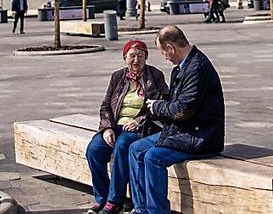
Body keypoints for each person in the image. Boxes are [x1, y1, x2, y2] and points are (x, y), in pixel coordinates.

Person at [128, 26, 225, 214]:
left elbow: (183, 111)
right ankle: (141, 209)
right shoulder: (181, 69)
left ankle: (157, 211)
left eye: (163, 52)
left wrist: (157, 106)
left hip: (200, 137)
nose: (164, 57)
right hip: (182, 132)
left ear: (170, 48)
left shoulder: (197, 68)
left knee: (153, 157)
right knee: (135, 149)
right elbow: (174, 106)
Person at [84, 40, 169, 214]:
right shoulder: (117, 76)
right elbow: (106, 105)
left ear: (146, 57)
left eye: (140, 55)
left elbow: (163, 103)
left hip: (141, 126)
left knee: (123, 145)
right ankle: (101, 197)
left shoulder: (155, 75)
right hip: (116, 125)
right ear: (125, 58)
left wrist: (139, 119)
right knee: (94, 150)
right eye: (132, 55)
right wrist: (107, 128)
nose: (136, 59)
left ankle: (115, 200)